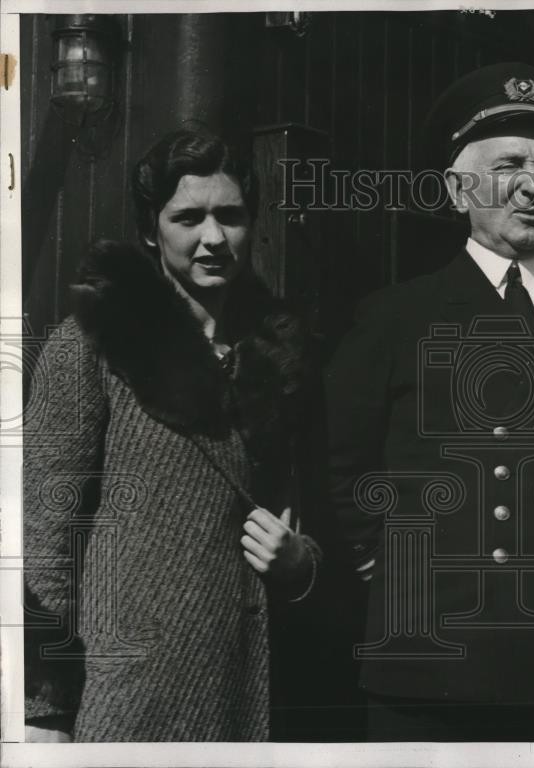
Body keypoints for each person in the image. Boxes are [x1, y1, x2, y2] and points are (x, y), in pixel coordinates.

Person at [324, 62, 534, 741]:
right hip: (432, 668)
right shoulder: (395, 319)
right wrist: (393, 574)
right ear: (458, 189)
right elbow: (340, 467)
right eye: (510, 164)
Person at [22, 128, 323, 742]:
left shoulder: (283, 360)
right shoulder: (92, 345)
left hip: (249, 690)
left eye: (231, 216)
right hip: (128, 699)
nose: (213, 238)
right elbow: (43, 542)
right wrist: (43, 710)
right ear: (151, 229)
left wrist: (300, 564)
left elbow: (315, 524)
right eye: (188, 217)